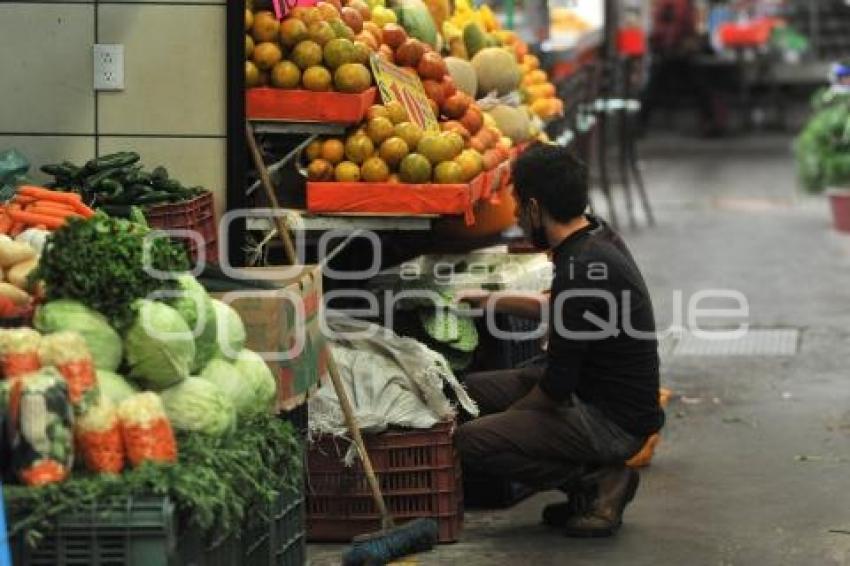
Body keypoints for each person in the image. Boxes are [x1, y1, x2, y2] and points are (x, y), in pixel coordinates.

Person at [455, 143, 665, 537]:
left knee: (471, 439)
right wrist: (488, 299)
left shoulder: (583, 268)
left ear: (535, 208)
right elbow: (559, 306)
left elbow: (554, 388)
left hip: (611, 420)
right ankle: (592, 482)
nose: (516, 217)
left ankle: (597, 481)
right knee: (466, 393)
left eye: (518, 206)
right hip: (595, 394)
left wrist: (511, 418)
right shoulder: (595, 237)